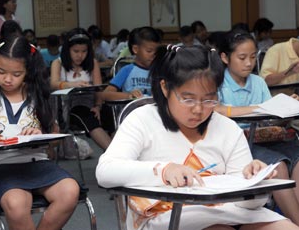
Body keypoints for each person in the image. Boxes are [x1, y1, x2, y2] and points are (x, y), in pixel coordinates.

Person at [96, 45, 299, 229]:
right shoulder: (143, 120)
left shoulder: (227, 128)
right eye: (188, 99)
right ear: (165, 88)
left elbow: (249, 205)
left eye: (209, 99)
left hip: (231, 213)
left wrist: (254, 182)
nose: (199, 110)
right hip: (169, 216)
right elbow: (106, 171)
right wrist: (163, 170)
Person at [0, 36, 79, 230]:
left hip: (37, 163)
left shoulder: (37, 93)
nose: (7, 79)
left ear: (28, 72)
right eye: (1, 71)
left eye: (16, 73)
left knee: (70, 192)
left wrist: (39, 133)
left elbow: (55, 136)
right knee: (16, 204)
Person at [216, 32, 299, 225]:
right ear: (225, 57)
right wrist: (260, 109)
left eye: (253, 57)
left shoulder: (258, 82)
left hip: (267, 137)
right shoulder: (218, 83)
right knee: (277, 166)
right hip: (240, 143)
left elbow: (273, 119)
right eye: (242, 58)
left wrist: (287, 107)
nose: (249, 63)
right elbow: (218, 111)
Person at [50, 28, 112, 150]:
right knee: (86, 115)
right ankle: (114, 154)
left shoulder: (92, 63)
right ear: (67, 50)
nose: (80, 55)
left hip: (91, 104)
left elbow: (98, 89)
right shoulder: (58, 63)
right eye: (76, 51)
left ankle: (122, 152)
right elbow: (53, 84)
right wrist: (73, 84)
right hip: (68, 108)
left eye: (84, 51)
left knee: (111, 114)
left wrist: (98, 106)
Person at [98, 26, 161, 102]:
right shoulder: (127, 70)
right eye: (149, 51)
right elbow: (105, 95)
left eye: (157, 52)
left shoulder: (159, 71)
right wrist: (128, 95)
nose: (153, 55)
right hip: (132, 111)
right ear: (135, 49)